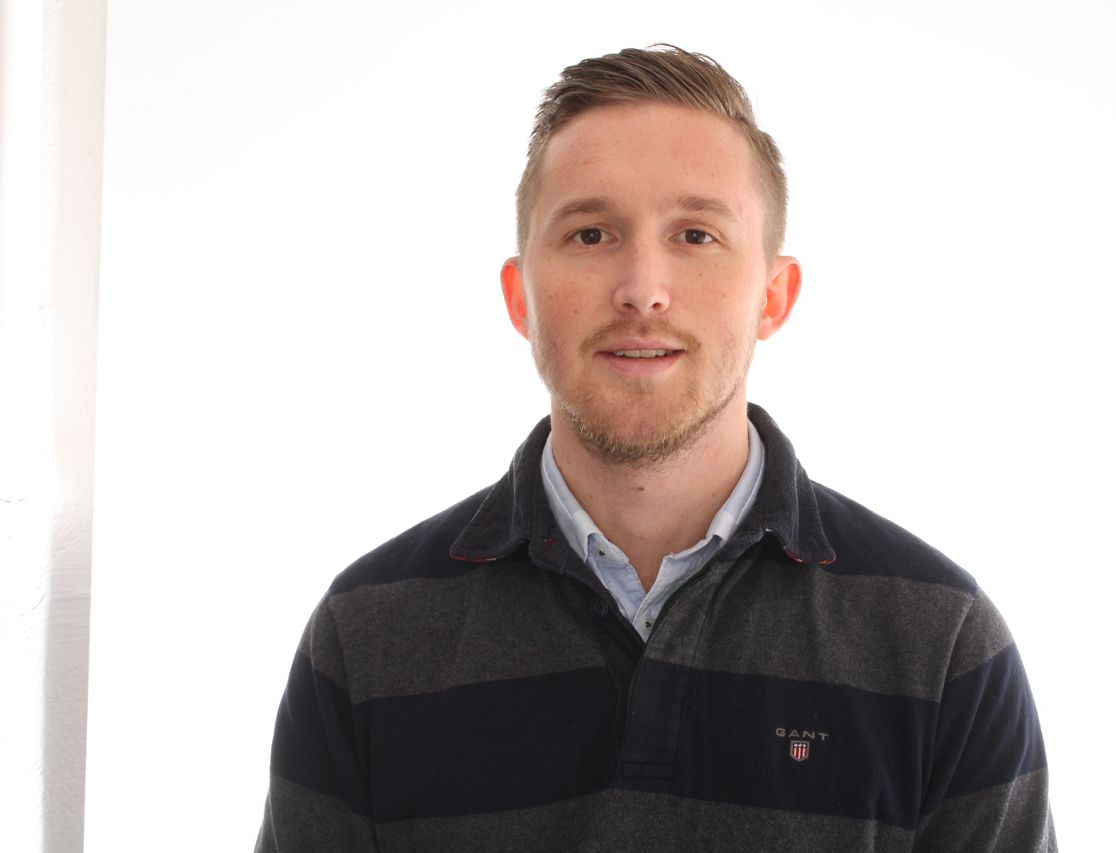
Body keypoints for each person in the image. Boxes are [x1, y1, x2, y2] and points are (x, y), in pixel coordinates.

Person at [256, 45, 1055, 852]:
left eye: (696, 234)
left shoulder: (939, 642)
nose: (643, 288)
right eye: (591, 232)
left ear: (773, 295)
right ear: (520, 295)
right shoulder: (367, 636)